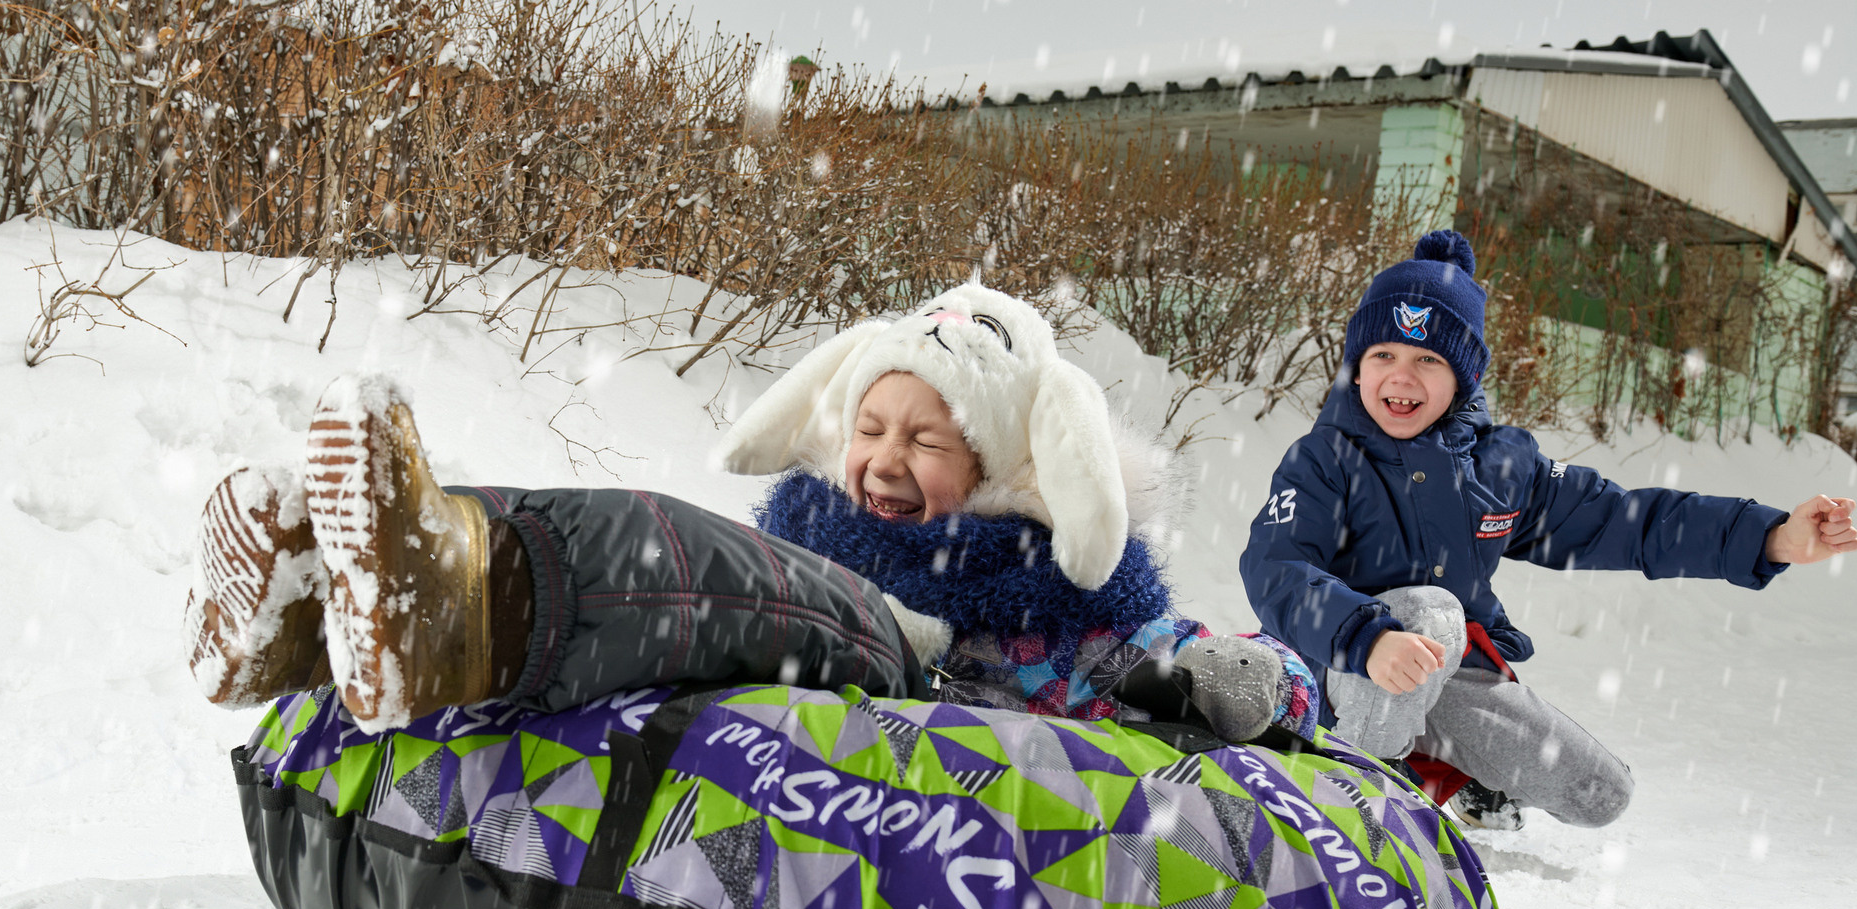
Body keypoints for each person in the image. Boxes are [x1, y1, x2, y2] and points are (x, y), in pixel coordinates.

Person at [186, 285, 1318, 743]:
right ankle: (330, 599)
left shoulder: (1056, 604)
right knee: (674, 565)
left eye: (923, 442)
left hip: (905, 706)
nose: (881, 463)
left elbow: (1190, 660)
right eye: (869, 430)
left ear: (996, 469)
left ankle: (446, 596)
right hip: (783, 698)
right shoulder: (811, 530)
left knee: (675, 561)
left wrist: (1250, 680)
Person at [1239, 230, 1857, 831]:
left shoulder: (1501, 467)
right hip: (1333, 674)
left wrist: (1770, 537)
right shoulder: (1324, 460)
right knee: (1429, 612)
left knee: (1598, 793)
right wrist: (1367, 637)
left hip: (1446, 676)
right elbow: (1277, 568)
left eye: (1428, 359)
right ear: (1358, 365)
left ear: (1463, 376)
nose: (1401, 378)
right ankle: (1355, 804)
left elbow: (1624, 520)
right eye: (1384, 356)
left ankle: (1438, 764)